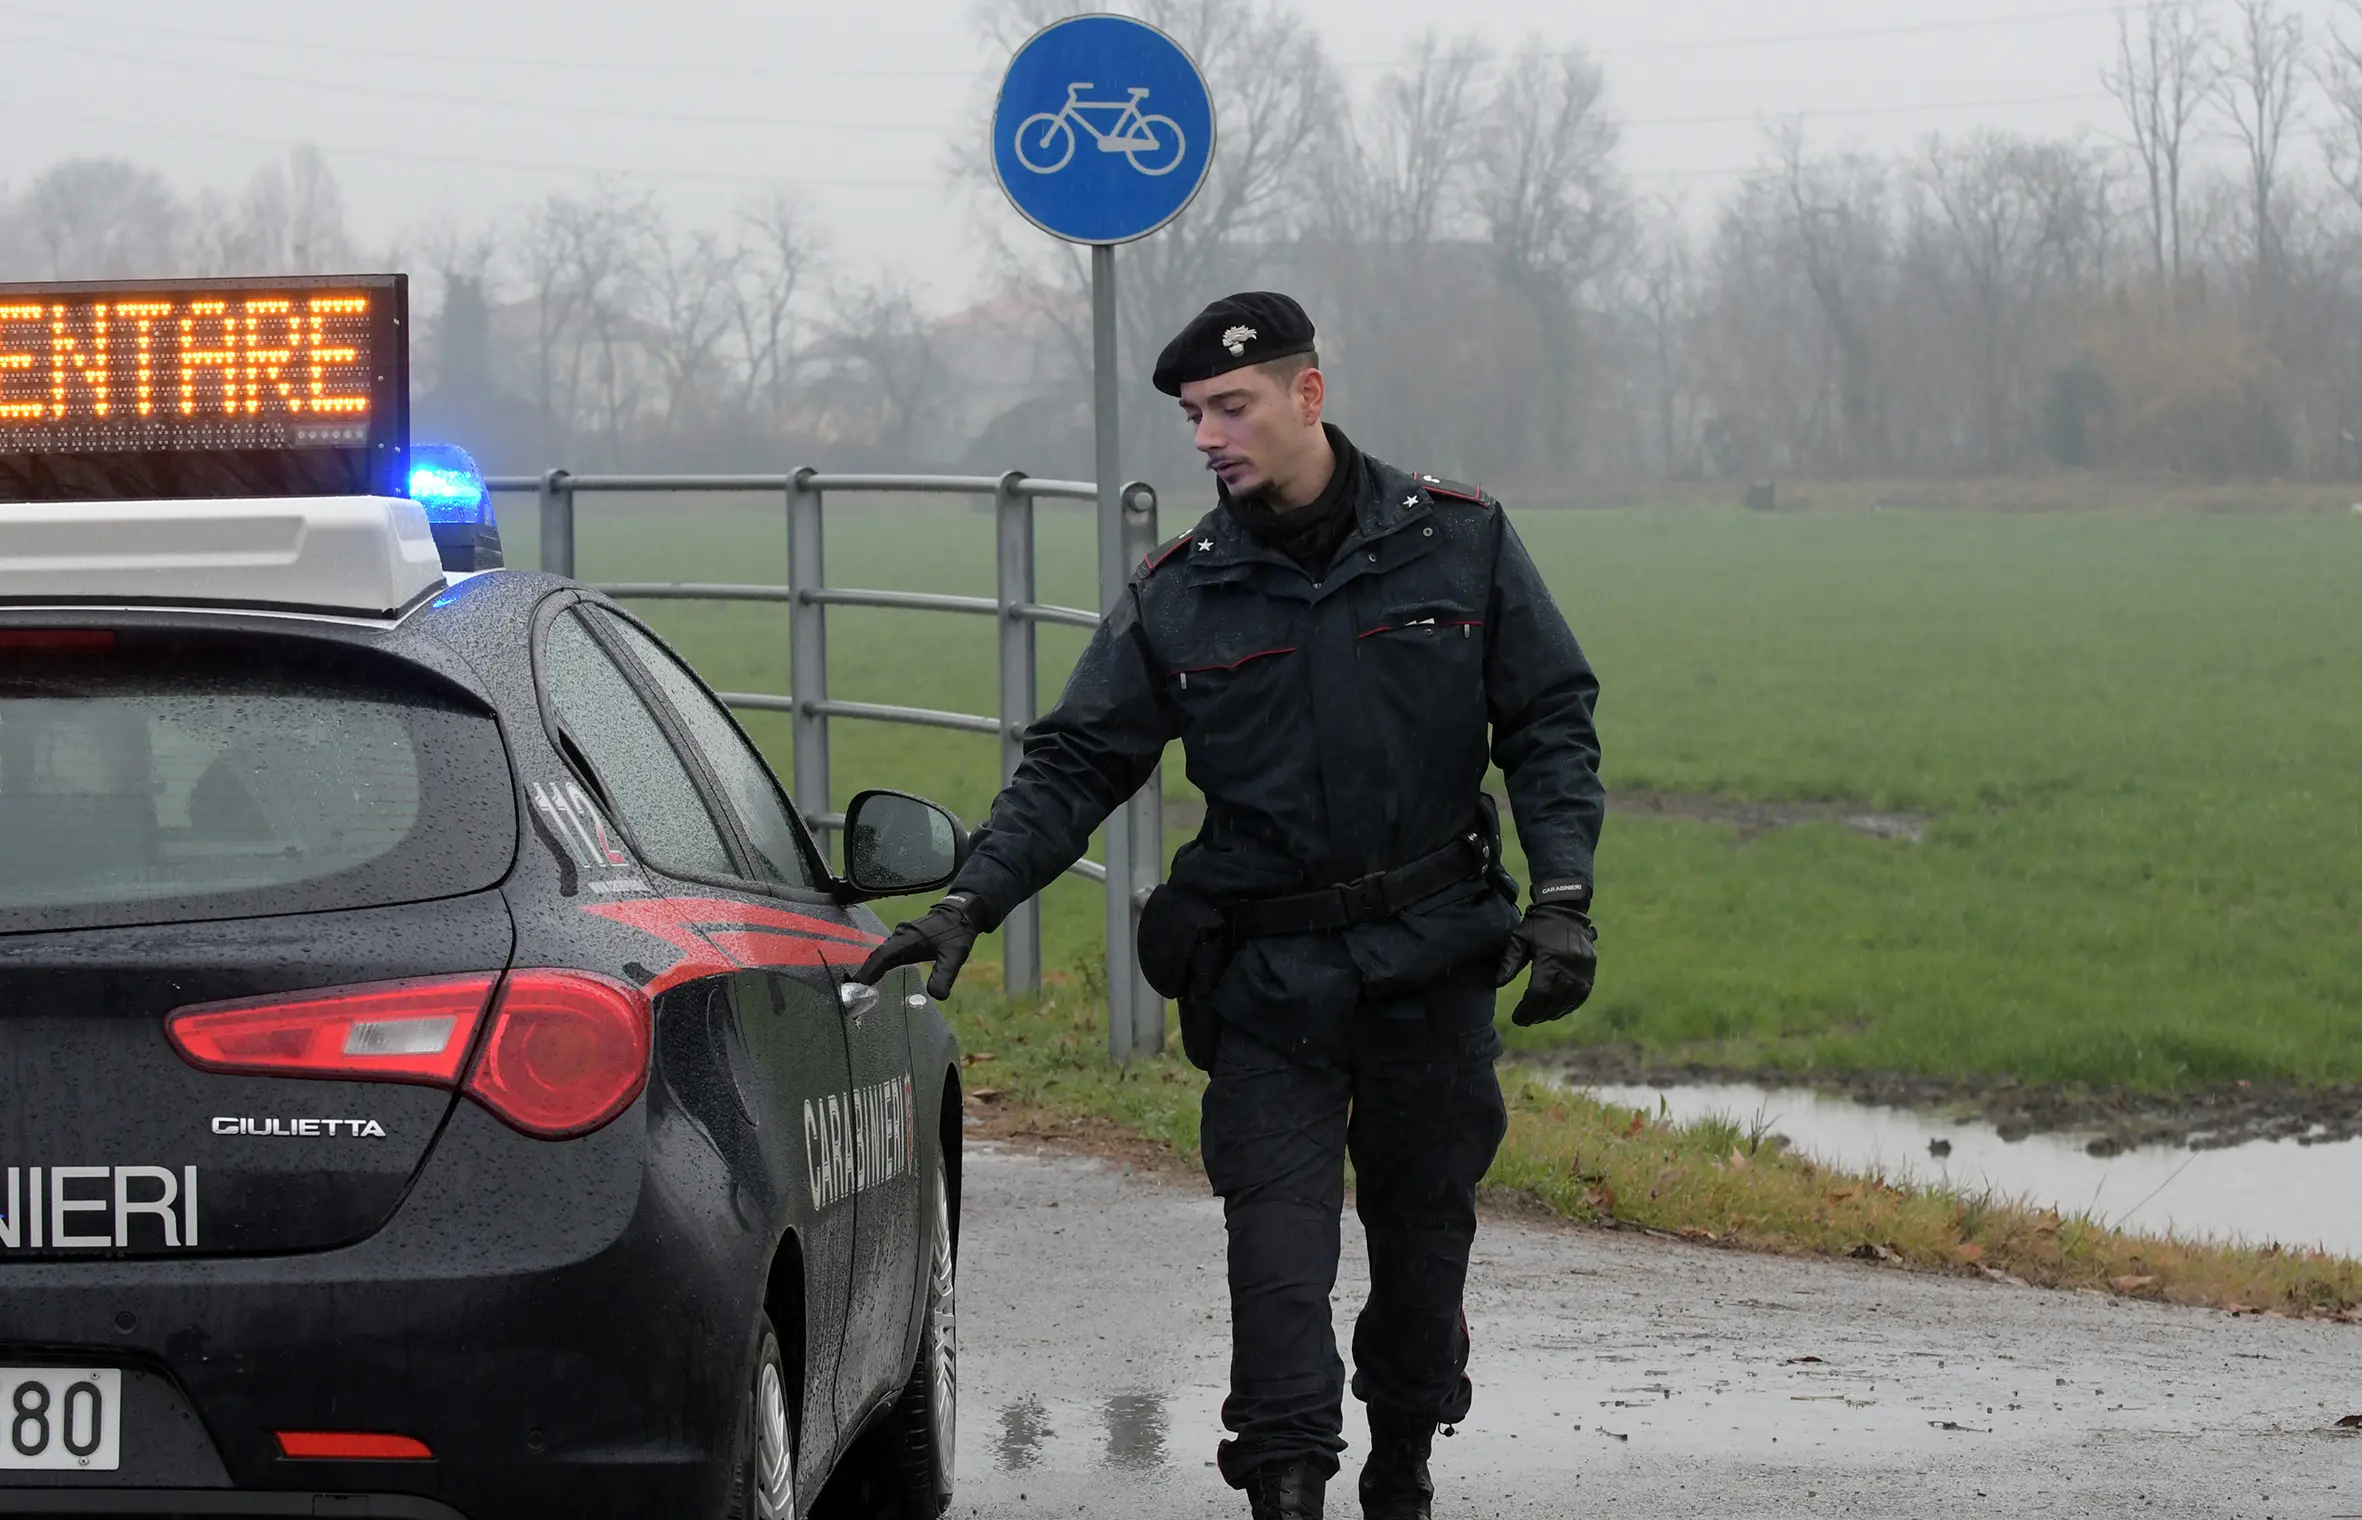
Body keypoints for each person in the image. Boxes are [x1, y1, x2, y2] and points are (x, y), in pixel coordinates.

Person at [857, 291, 1603, 1520]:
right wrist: (970, 899)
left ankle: (1404, 1453)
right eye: (1195, 412)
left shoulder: (1459, 542)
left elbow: (1548, 721)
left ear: (1308, 395)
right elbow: (1077, 762)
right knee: (1275, 1265)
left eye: (1231, 406)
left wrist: (1564, 892)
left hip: (1431, 963)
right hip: (1268, 979)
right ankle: (1289, 1478)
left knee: (1421, 1263)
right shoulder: (1182, 593)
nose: (1207, 434)